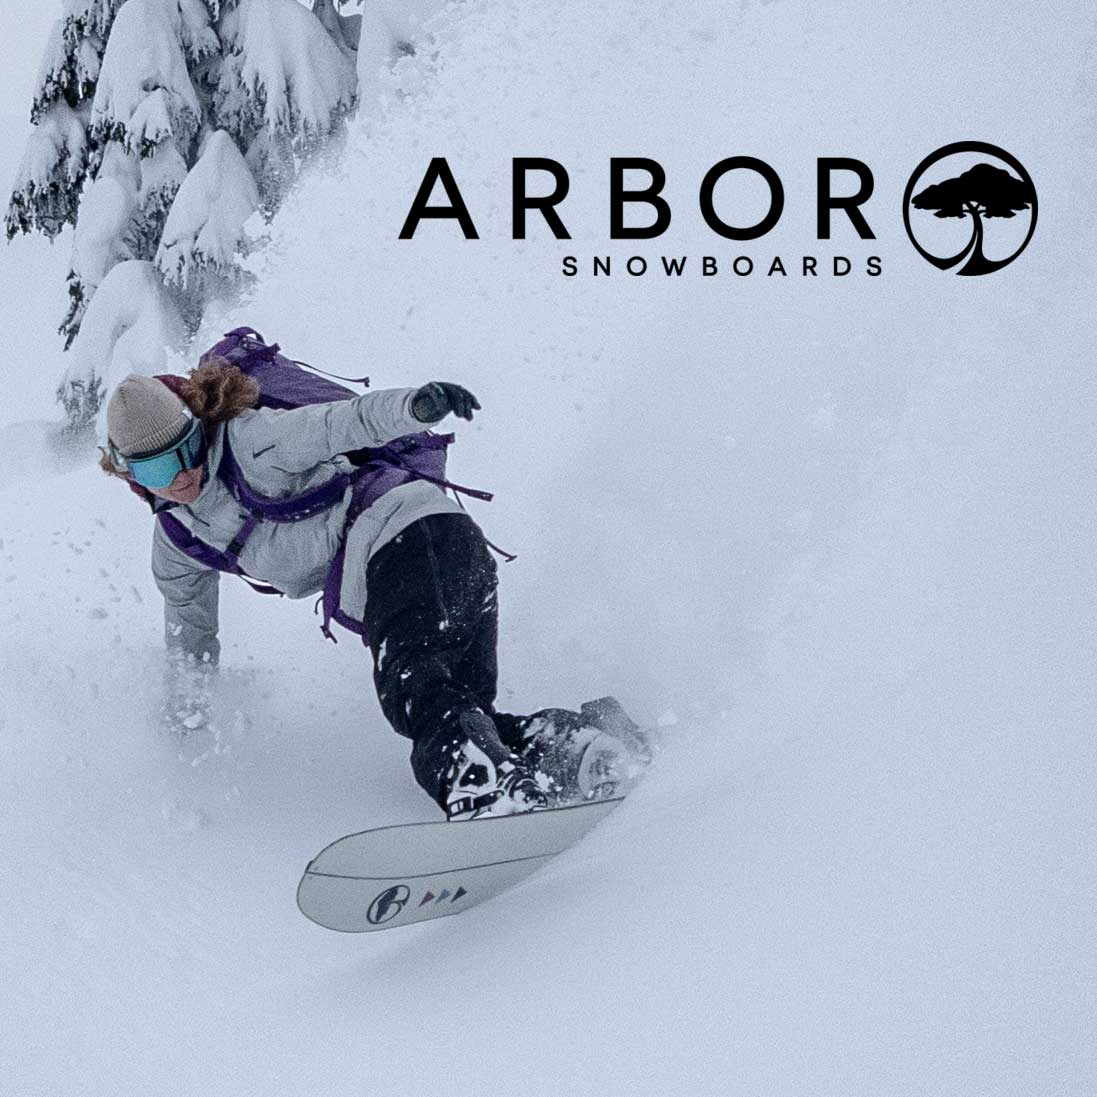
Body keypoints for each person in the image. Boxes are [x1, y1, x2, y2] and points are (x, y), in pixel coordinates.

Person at [101, 360, 646, 820]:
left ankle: (486, 796)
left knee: (417, 698)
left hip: (414, 541)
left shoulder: (254, 442)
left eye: (184, 450)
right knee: (454, 709)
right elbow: (190, 630)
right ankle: (579, 748)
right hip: (432, 558)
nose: (177, 476)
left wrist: (418, 407)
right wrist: (187, 709)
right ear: (127, 473)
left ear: (199, 426)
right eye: (153, 467)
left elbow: (344, 424)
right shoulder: (177, 538)